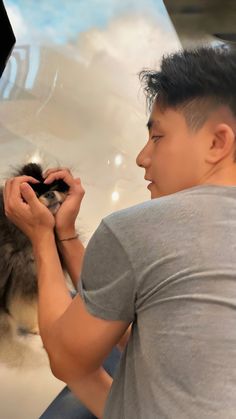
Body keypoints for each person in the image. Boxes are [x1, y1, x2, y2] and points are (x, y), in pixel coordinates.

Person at [4, 45, 236, 419]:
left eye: (157, 137)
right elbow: (153, 338)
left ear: (216, 142)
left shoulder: (143, 225)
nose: (142, 157)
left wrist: (42, 239)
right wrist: (65, 236)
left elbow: (66, 357)